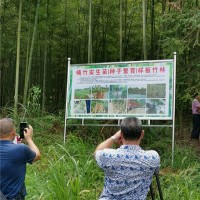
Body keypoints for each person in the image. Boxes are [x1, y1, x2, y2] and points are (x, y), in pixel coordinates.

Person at [94, 117, 160, 200]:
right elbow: (156, 171)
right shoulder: (153, 157)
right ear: (142, 134)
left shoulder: (108, 156)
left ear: (121, 135)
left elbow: (96, 152)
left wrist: (113, 138)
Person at [0, 118, 41, 200]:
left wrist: (14, 144)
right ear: (13, 133)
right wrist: (29, 139)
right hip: (13, 197)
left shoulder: (19, 148)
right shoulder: (21, 149)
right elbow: (37, 155)